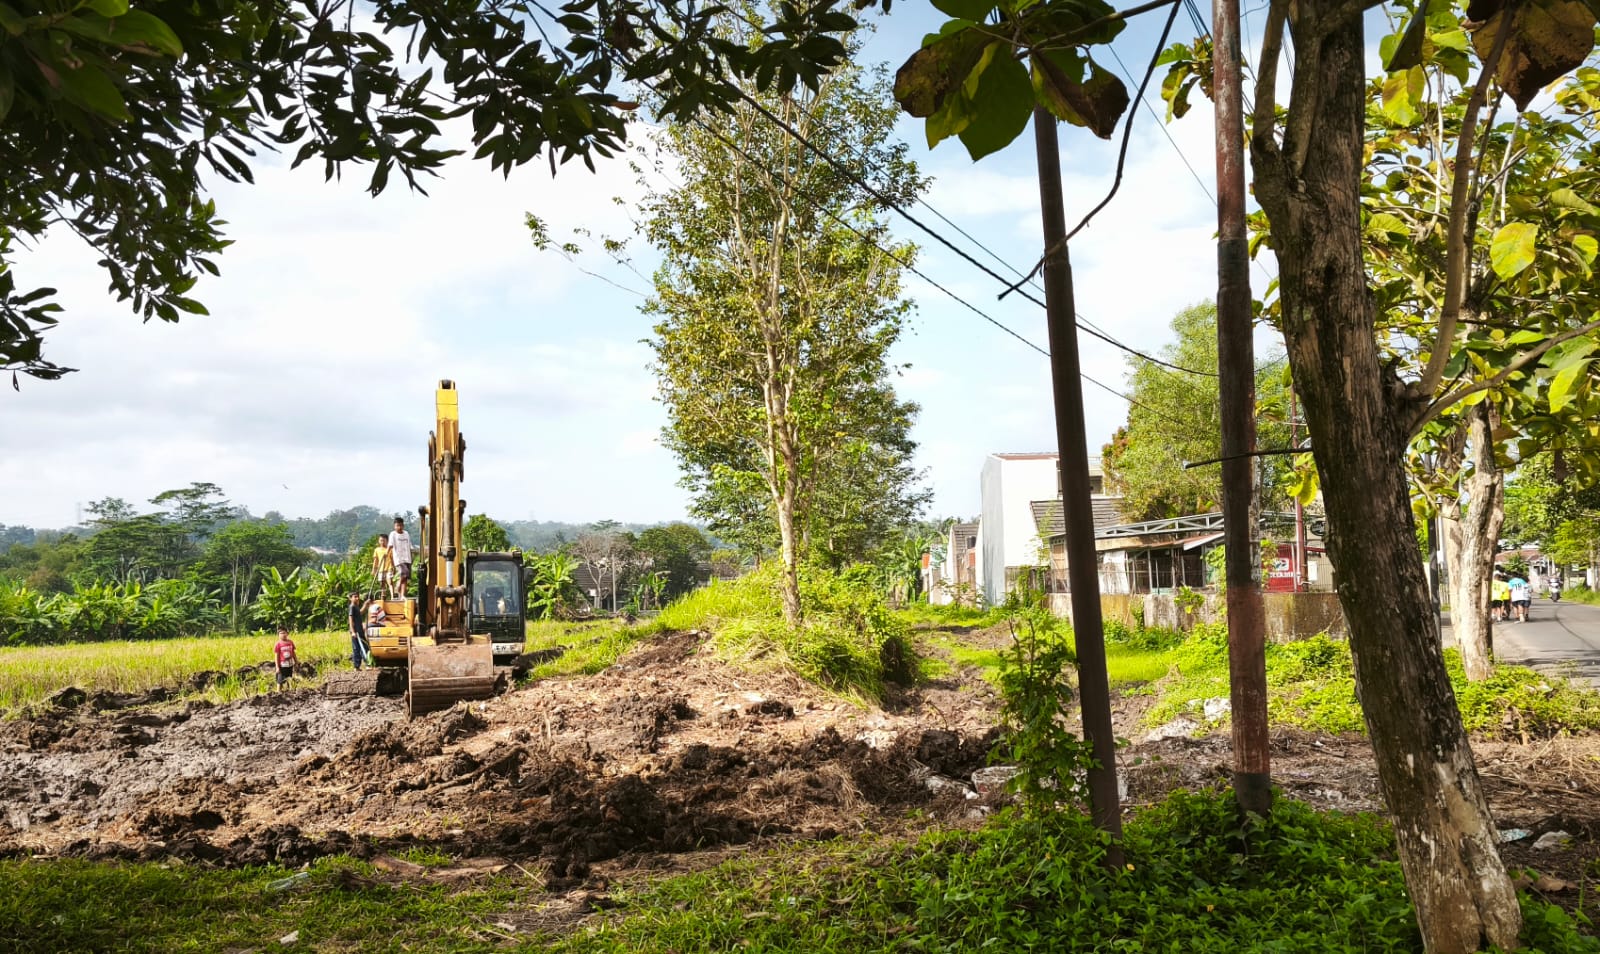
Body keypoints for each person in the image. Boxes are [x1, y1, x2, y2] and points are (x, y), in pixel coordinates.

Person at [388, 517, 413, 600]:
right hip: (399, 559)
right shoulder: (393, 534)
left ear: (403, 525)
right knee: (404, 573)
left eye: (401, 525)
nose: (399, 527)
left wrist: (412, 556)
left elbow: (409, 546)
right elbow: (390, 545)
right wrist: (386, 553)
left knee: (405, 578)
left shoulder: (406, 533)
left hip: (407, 558)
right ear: (394, 526)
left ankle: (402, 595)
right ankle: (398, 587)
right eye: (397, 525)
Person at [347, 592, 369, 670]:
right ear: (350, 598)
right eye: (355, 597)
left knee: (364, 647)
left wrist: (365, 605)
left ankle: (360, 666)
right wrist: (353, 632)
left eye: (357, 597)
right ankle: (359, 666)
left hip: (360, 631)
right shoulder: (352, 607)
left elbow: (360, 613)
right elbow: (350, 619)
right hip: (356, 632)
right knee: (358, 648)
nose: (357, 598)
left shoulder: (356, 607)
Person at [370, 534, 394, 600]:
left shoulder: (389, 549)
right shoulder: (377, 550)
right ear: (379, 541)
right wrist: (373, 569)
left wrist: (393, 567)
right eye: (381, 540)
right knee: (382, 584)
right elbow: (375, 560)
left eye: (384, 540)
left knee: (390, 582)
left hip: (389, 568)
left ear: (387, 541)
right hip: (380, 569)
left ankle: (392, 596)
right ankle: (383, 597)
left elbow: (392, 559)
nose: (382, 542)